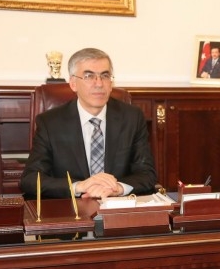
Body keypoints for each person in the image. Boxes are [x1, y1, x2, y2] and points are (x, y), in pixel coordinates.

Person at [21, 47, 157, 199]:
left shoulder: (132, 118)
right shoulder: (50, 123)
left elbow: (147, 174)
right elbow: (30, 179)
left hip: (116, 205)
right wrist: (79, 186)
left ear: (111, 82)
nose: (99, 83)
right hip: (71, 208)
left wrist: (118, 188)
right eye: (88, 76)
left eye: (105, 76)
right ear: (73, 83)